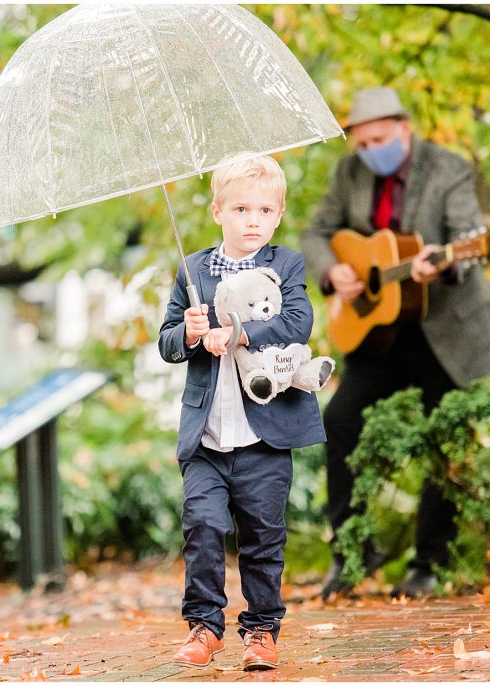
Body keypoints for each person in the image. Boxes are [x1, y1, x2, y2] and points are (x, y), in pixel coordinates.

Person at [300, 87, 490, 600]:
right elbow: (315, 233)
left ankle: (429, 563)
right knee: (339, 421)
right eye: (362, 142)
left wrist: (442, 262)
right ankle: (353, 555)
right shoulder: (349, 173)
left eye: (379, 139)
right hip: (379, 332)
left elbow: (470, 237)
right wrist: (336, 271)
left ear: (404, 128)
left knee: (444, 441)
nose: (371, 149)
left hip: (447, 330)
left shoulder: (448, 169)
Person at [158, 154, 326, 670]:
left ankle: (261, 631)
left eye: (263, 210)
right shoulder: (193, 272)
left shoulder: (286, 265)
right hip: (207, 439)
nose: (251, 220)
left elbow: (298, 322)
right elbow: (166, 343)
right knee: (202, 527)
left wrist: (240, 332)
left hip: (264, 437)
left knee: (262, 536)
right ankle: (205, 626)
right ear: (217, 212)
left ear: (277, 216)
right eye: (240, 209)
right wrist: (187, 333)